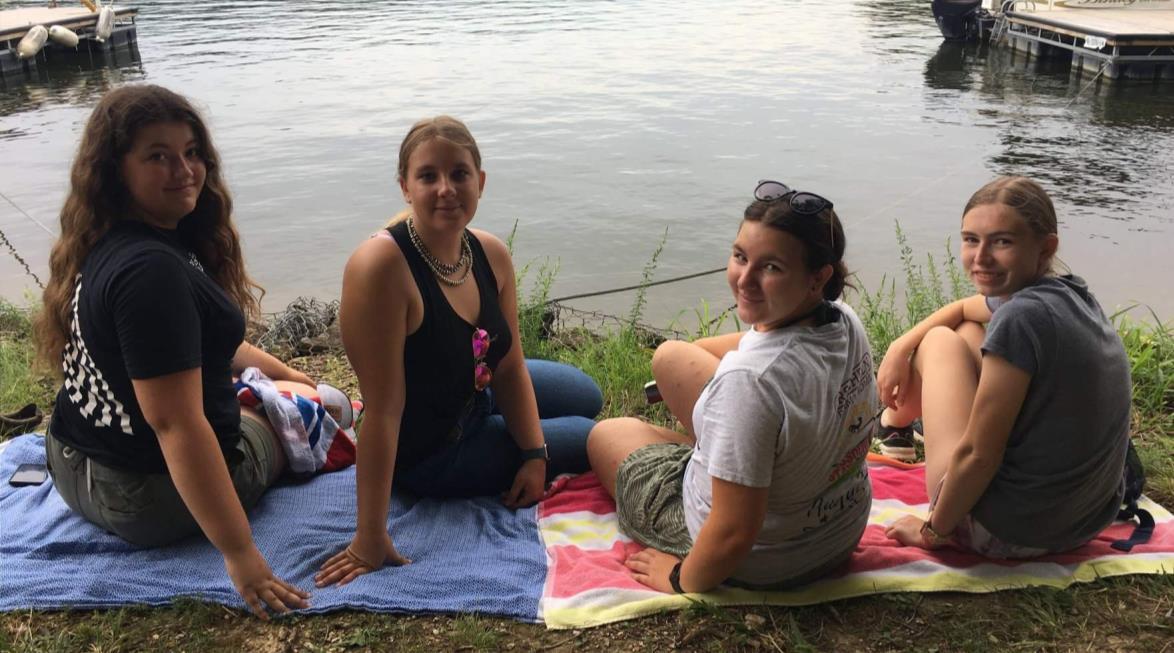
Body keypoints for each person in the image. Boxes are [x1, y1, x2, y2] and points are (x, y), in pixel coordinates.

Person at [34, 84, 313, 619]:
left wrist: (289, 372)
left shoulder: (110, 239)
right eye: (158, 156)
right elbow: (175, 425)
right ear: (117, 169)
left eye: (191, 152)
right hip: (141, 497)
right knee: (312, 410)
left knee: (284, 388)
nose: (184, 170)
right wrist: (241, 554)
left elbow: (208, 344)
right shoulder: (152, 273)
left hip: (71, 462)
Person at [314, 116, 603, 587]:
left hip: (476, 391)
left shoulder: (489, 253)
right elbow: (382, 412)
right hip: (433, 449)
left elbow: (508, 363)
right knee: (592, 435)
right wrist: (369, 537)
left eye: (459, 174)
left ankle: (512, 434)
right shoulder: (382, 268)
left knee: (586, 394)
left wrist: (534, 454)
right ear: (405, 187)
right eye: (428, 176)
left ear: (480, 182)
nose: (446, 189)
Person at [586, 180, 878, 593]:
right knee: (675, 358)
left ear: (817, 277)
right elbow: (748, 352)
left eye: (771, 267)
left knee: (608, 434)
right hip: (838, 534)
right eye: (741, 257)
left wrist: (680, 579)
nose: (745, 280)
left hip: (760, 561)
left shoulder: (749, 381)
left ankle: (709, 495)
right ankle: (725, 464)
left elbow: (733, 533)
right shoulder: (844, 320)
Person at [878, 176, 1130, 558]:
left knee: (940, 341)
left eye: (1002, 242)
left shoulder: (1020, 318)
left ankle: (893, 427)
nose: (981, 257)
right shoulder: (1072, 294)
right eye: (971, 239)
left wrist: (933, 532)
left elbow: (980, 455)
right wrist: (899, 346)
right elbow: (965, 309)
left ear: (1046, 247)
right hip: (1084, 520)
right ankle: (894, 425)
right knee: (965, 330)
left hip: (1010, 531)